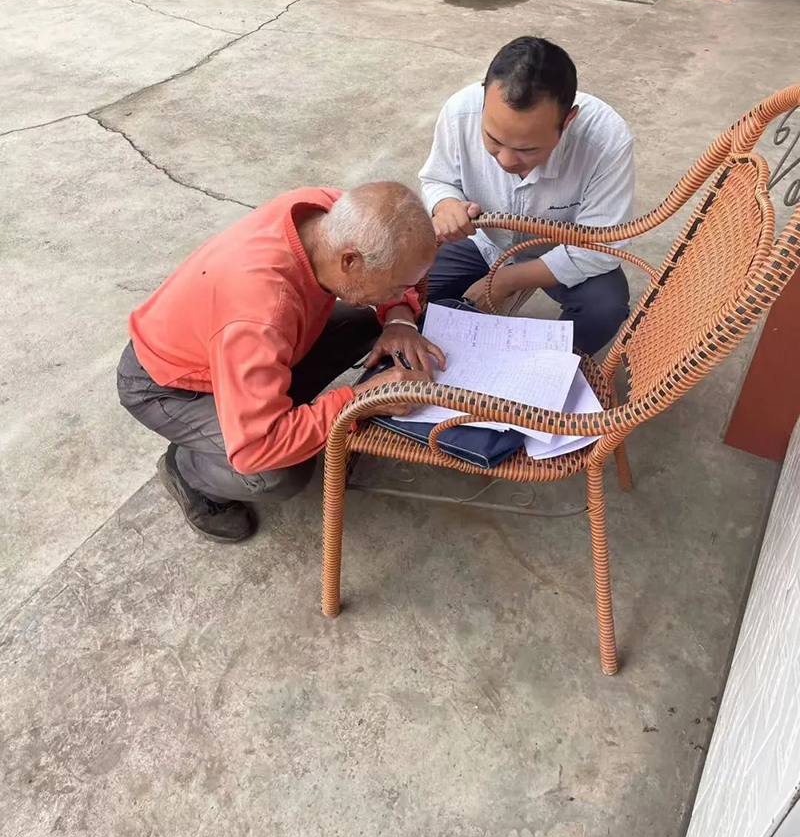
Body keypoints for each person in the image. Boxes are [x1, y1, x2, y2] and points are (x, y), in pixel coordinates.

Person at [117, 182, 444, 543]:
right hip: (168, 387)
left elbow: (392, 269)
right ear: (350, 262)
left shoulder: (330, 213)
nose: (401, 293)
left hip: (236, 345)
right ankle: (188, 470)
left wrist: (398, 318)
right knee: (277, 473)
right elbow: (258, 447)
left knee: (367, 324)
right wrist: (360, 401)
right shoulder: (260, 314)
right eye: (396, 287)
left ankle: (261, 399)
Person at [418, 36, 635, 355]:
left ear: (568, 121)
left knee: (604, 306)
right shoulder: (459, 113)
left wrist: (504, 281)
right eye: (493, 139)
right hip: (484, 241)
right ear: (483, 95)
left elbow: (599, 247)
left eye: (528, 149)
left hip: (560, 252)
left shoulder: (606, 142)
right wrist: (446, 204)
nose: (506, 160)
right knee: (408, 286)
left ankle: (546, 371)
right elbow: (437, 178)